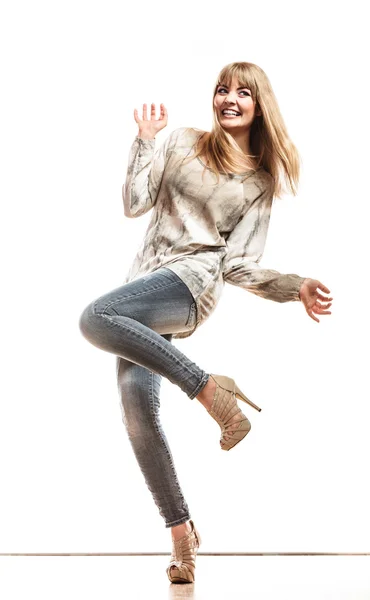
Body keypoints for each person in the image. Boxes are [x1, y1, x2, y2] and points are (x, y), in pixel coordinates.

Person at [78, 61, 333, 584]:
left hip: (190, 285)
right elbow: (134, 203)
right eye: (221, 89)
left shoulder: (257, 182)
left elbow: (238, 264)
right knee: (137, 415)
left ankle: (206, 390)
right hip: (143, 286)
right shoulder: (180, 142)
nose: (228, 98)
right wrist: (145, 141)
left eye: (242, 91)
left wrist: (294, 286)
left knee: (93, 316)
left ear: (259, 105)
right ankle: (182, 535)